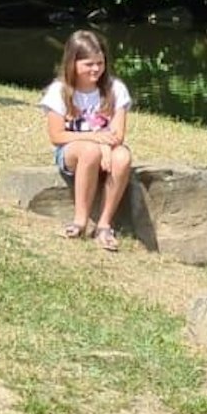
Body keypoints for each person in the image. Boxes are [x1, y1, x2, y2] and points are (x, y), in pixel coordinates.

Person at [41, 30, 135, 251]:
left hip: (108, 150)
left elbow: (118, 134)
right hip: (72, 151)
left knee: (123, 156)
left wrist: (105, 145)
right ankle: (80, 221)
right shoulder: (60, 91)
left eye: (100, 63)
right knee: (89, 151)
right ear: (73, 63)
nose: (95, 69)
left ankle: (104, 224)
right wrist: (95, 140)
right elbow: (57, 136)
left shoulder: (115, 89)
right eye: (88, 64)